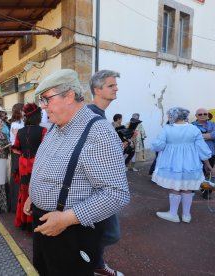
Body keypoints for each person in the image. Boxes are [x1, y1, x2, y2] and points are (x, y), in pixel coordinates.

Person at [24, 69, 129, 275]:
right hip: (45, 222)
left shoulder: (98, 132)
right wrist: (33, 195)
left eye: (46, 99)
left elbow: (116, 193)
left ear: (69, 96)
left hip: (71, 230)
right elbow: (49, 165)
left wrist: (67, 219)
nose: (43, 108)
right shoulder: (57, 125)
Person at [88, 70, 126, 276]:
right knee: (111, 233)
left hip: (103, 184)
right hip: (96, 186)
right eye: (111, 85)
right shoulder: (90, 114)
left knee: (103, 231)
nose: (116, 88)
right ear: (97, 89)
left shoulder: (99, 115)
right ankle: (88, 261)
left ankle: (95, 264)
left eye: (115, 85)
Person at [152, 107, 212, 223]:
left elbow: (158, 145)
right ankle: (186, 215)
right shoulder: (194, 129)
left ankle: (173, 214)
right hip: (191, 163)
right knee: (187, 188)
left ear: (172, 116)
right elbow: (202, 149)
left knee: (175, 188)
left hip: (172, 163)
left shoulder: (167, 129)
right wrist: (207, 164)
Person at [13, 103, 47, 230]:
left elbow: (16, 149)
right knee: (36, 190)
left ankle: (23, 220)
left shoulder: (20, 131)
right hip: (37, 163)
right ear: (37, 116)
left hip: (23, 164)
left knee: (24, 191)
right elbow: (46, 150)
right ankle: (34, 221)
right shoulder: (43, 130)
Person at [192, 108, 215, 199]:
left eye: (205, 114)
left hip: (210, 153)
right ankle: (191, 190)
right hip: (195, 154)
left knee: (208, 173)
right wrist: (208, 135)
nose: (203, 115)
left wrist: (198, 136)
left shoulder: (214, 125)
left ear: (208, 115)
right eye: (200, 114)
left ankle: (207, 192)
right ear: (196, 116)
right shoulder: (191, 126)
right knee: (193, 172)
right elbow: (190, 137)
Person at [9, 103, 25, 212]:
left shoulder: (21, 122)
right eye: (23, 109)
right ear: (19, 111)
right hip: (18, 153)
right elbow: (17, 140)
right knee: (17, 178)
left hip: (20, 152)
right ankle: (15, 205)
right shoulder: (15, 124)